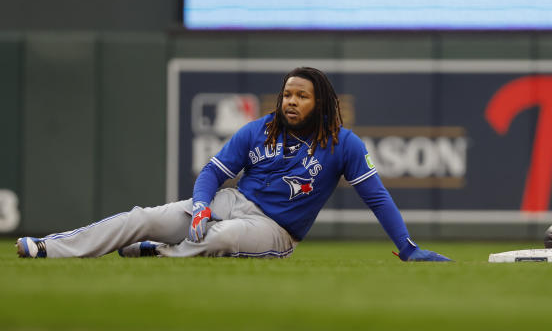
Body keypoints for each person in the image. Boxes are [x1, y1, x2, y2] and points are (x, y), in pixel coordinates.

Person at [16, 67, 452, 262]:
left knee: (220, 239)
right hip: (230, 201)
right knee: (144, 216)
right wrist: (202, 205)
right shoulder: (258, 129)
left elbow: (376, 196)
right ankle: (50, 247)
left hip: (276, 230)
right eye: (287, 94)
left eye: (301, 95)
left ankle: (162, 255)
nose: (291, 101)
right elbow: (212, 174)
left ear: (321, 102)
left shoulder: (343, 143)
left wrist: (408, 246)